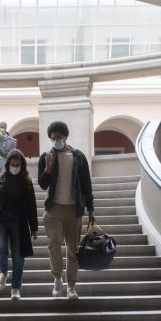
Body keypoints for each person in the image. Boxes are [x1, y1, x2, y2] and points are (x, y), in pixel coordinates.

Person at [37, 120, 95, 300]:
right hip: (53, 209)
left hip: (74, 209)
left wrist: (91, 208)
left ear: (65, 136)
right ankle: (57, 279)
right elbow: (42, 184)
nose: (56, 141)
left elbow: (86, 184)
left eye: (59, 137)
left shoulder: (78, 156)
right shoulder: (46, 157)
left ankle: (71, 286)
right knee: (54, 244)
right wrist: (47, 169)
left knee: (73, 249)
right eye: (53, 138)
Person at [0, 149, 39, 301]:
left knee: (19, 257)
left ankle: (15, 288)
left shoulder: (27, 182)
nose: (15, 167)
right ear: (8, 164)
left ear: (22, 165)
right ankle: (3, 272)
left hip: (19, 222)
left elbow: (32, 205)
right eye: (12, 164)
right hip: (0, 220)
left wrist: (34, 228)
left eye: (18, 165)